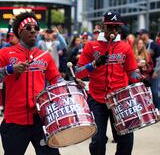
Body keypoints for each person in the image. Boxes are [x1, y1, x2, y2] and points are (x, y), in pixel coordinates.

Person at [75, 10, 141, 155]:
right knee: (98, 140)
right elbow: (79, 72)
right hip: (97, 98)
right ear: (103, 26)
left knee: (126, 138)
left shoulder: (125, 47)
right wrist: (94, 65)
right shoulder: (91, 46)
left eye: (116, 27)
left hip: (120, 98)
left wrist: (138, 75)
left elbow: (132, 71)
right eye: (110, 26)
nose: (113, 30)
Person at [0, 11, 63, 155]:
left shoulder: (44, 56)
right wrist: (10, 69)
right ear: (19, 32)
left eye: (36, 27)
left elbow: (56, 80)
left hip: (41, 119)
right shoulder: (5, 53)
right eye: (29, 28)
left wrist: (70, 85)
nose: (33, 30)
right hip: (15, 120)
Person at [137, 28, 160, 110]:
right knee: (145, 93)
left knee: (154, 92)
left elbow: (159, 59)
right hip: (146, 74)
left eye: (141, 34)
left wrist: (156, 71)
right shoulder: (141, 45)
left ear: (146, 34)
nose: (139, 35)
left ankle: (158, 110)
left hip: (154, 73)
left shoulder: (154, 45)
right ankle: (150, 111)